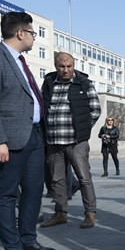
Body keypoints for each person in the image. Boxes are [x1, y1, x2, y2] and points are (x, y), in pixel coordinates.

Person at [0, 11, 54, 250]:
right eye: (33, 33)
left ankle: (28, 240)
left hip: (33, 136)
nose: (34, 38)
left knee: (33, 191)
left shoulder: (21, 61)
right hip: (8, 140)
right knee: (7, 194)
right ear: (21, 33)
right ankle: (12, 249)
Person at [40, 52, 101, 229]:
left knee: (84, 178)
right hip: (53, 141)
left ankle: (90, 213)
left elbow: (95, 110)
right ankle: (60, 213)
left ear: (73, 65)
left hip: (76, 142)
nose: (65, 70)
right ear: (55, 66)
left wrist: (82, 130)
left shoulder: (83, 83)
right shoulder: (49, 82)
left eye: (69, 66)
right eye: (61, 66)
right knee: (56, 179)